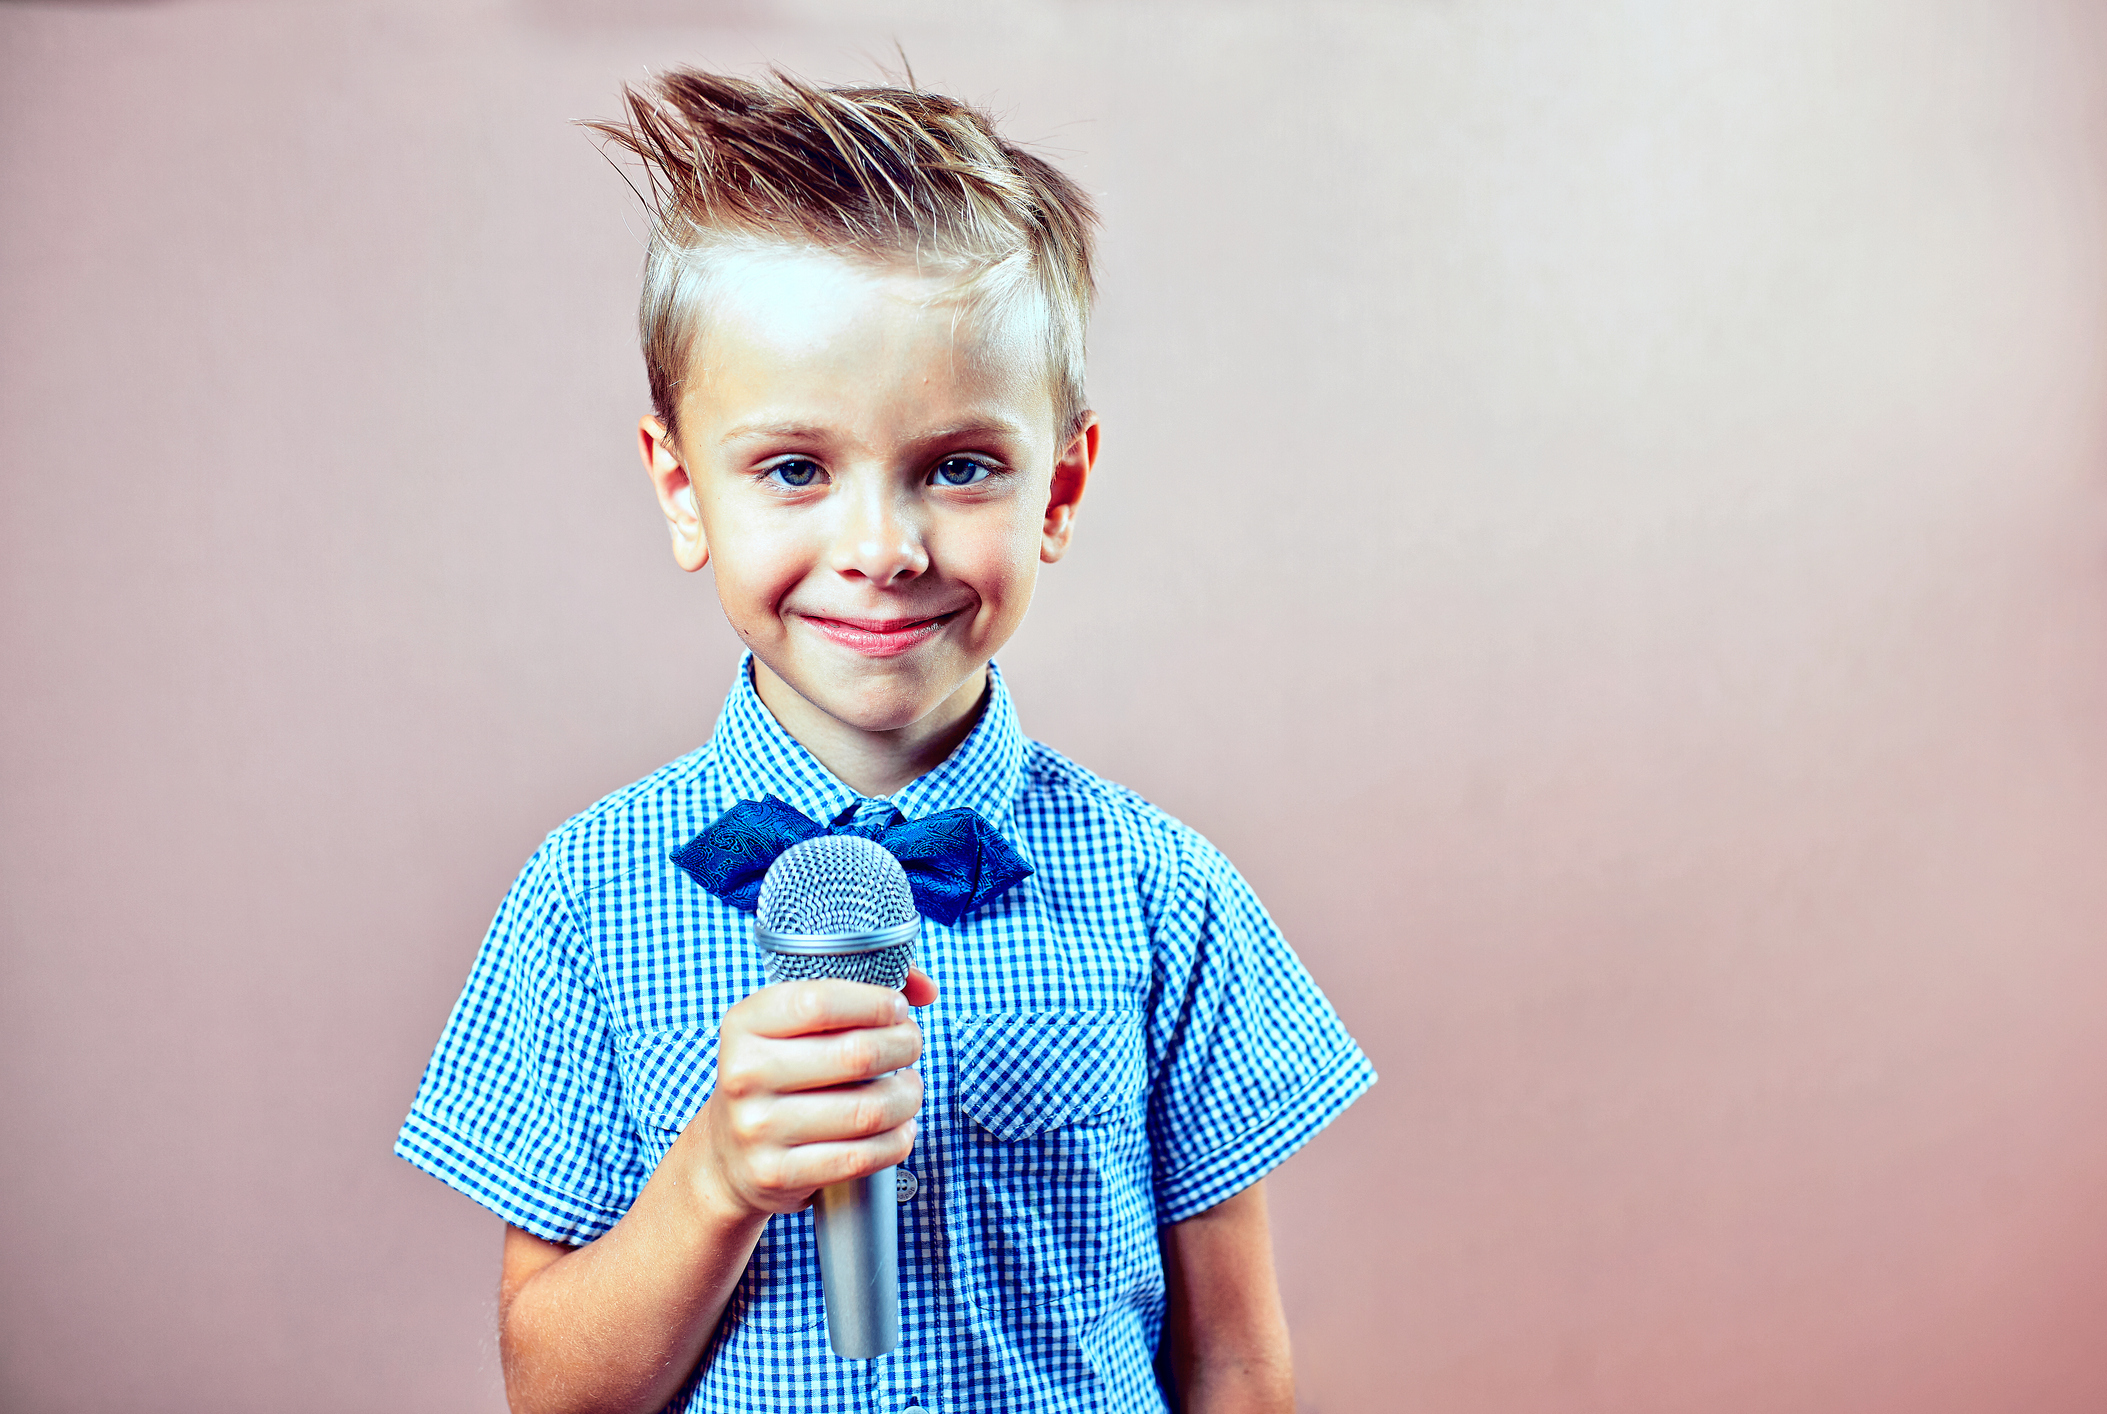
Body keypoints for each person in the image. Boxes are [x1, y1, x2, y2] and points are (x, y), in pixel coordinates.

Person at [396, 66, 1374, 1414]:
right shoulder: (580, 898)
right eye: (795, 468)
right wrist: (715, 1179)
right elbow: (552, 1390)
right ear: (682, 490)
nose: (881, 548)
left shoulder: (1168, 895)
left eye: (957, 464)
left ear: (1060, 487)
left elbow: (1234, 1356)